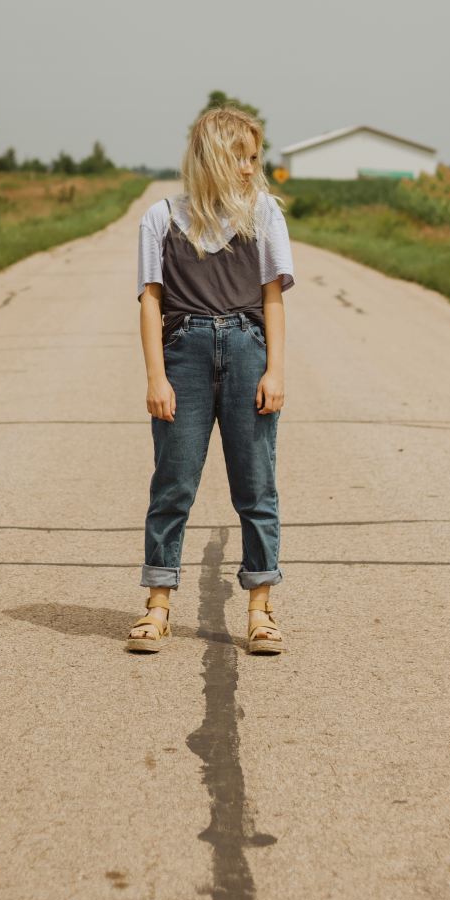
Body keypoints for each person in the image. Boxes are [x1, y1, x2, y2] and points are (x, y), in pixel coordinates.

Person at [127, 105, 295, 654]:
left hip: (247, 348)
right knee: (173, 484)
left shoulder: (264, 214)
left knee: (256, 485)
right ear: (211, 158)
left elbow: (272, 297)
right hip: (184, 353)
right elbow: (151, 302)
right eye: (239, 157)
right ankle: (157, 605)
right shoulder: (161, 219)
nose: (250, 168)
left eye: (254, 157)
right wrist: (156, 376)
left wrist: (275, 369)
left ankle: (261, 608)